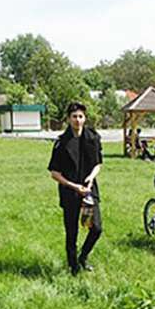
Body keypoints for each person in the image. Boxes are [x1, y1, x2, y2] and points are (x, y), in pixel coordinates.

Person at [48, 102, 103, 275]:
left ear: (85, 118)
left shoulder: (93, 138)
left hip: (88, 190)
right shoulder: (62, 143)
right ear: (68, 119)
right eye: (74, 117)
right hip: (70, 191)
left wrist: (91, 178)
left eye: (80, 116)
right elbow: (54, 173)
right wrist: (73, 186)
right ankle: (73, 267)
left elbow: (98, 164)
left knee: (96, 228)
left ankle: (83, 257)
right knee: (72, 231)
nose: (77, 120)